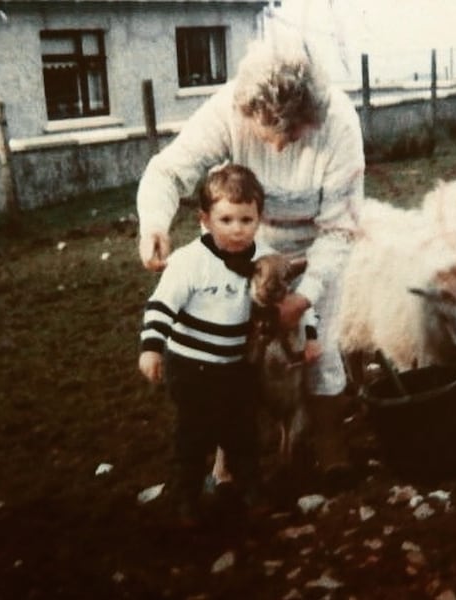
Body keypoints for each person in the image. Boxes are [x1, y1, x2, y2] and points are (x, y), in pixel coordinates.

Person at [137, 36, 365, 483]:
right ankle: (229, 460)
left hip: (313, 249)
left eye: (293, 133)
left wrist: (304, 298)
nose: (279, 146)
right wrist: (154, 224)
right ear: (248, 112)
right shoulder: (227, 109)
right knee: (230, 353)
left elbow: (340, 228)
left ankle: (327, 446)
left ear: (312, 116)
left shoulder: (339, 123)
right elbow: (167, 171)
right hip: (237, 247)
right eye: (268, 133)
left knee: (319, 348)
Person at [138, 164, 317, 521]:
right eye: (226, 220)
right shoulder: (190, 261)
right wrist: (151, 347)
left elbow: (295, 297)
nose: (237, 230)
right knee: (194, 433)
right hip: (190, 367)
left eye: (246, 220)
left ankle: (251, 491)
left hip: (235, 367)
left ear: (259, 219)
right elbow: (161, 304)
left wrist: (310, 339)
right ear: (205, 219)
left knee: (241, 433)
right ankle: (184, 497)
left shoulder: (265, 258)